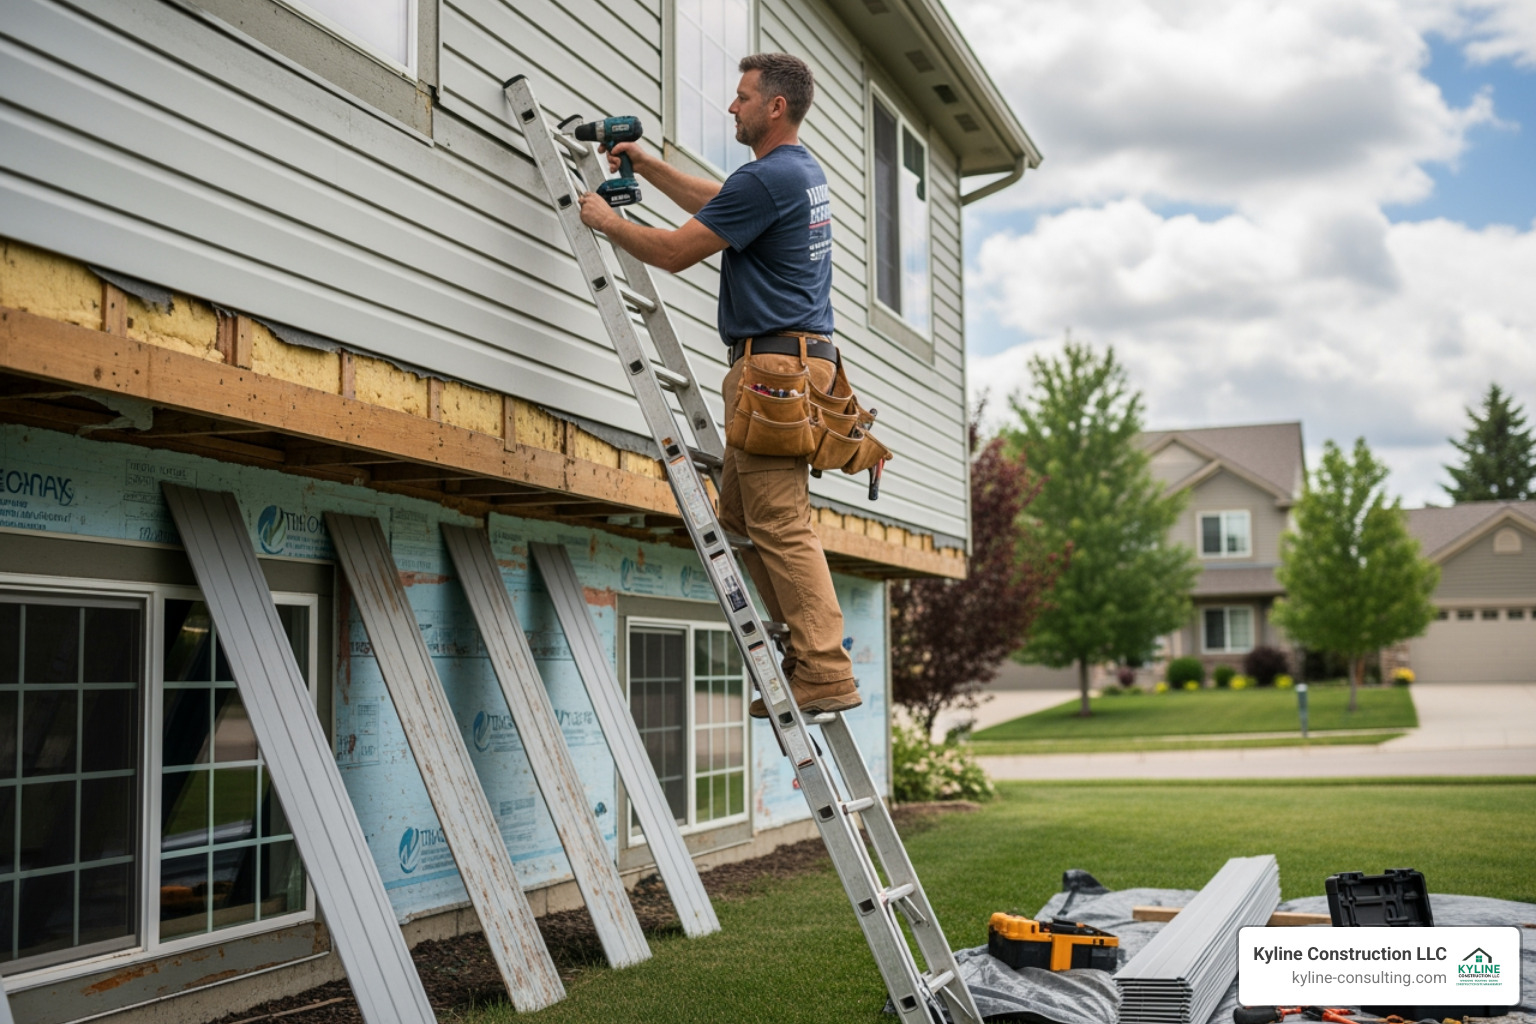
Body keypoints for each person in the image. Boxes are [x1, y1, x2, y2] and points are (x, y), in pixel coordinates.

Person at [578, 52, 860, 718]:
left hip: (774, 372)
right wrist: (646, 165)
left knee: (783, 526)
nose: (731, 107)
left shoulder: (772, 178)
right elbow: (720, 204)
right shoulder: (791, 173)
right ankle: (807, 652)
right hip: (790, 365)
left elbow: (678, 251)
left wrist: (608, 222)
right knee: (740, 521)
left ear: (775, 107)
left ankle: (824, 668)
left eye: (741, 97)